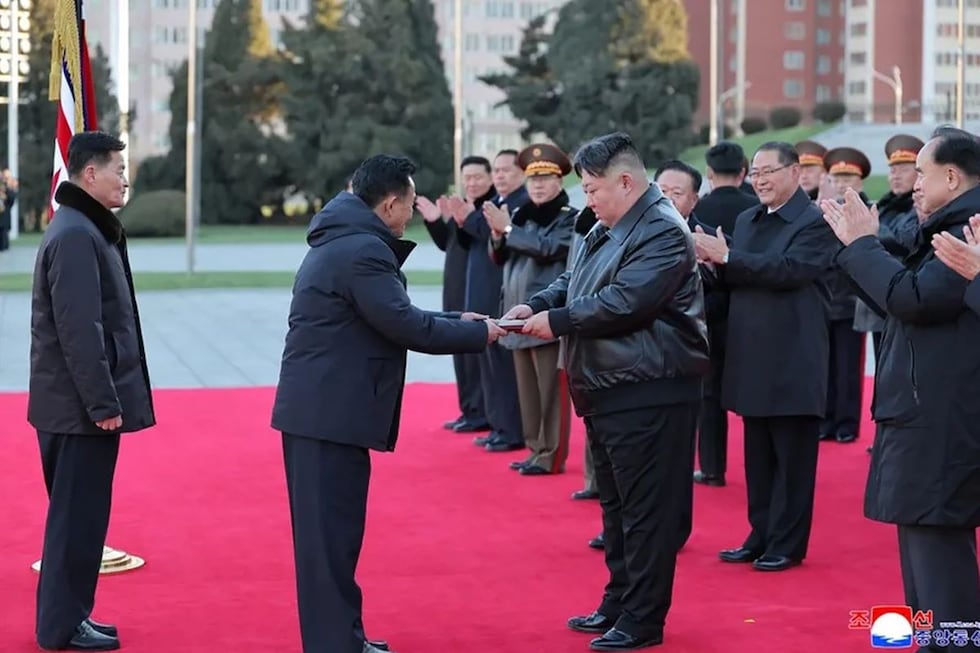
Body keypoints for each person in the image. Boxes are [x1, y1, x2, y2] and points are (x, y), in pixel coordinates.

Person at [271, 155, 504, 653]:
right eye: (408, 207)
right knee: (329, 544)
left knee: (335, 540)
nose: (411, 218)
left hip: (327, 413)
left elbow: (391, 313)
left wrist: (460, 318)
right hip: (327, 416)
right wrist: (479, 333)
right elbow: (407, 326)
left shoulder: (348, 240)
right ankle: (335, 644)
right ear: (391, 203)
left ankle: (343, 638)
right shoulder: (362, 251)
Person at [504, 132, 709, 650]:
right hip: (609, 385)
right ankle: (619, 602)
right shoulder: (610, 224)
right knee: (617, 509)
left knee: (645, 513)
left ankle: (643, 619)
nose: (588, 198)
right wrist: (537, 304)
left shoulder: (663, 230)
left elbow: (625, 302)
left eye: (593, 189)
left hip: (650, 387)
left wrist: (559, 320)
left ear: (626, 180)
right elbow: (577, 279)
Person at [822, 128, 980, 649]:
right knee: (921, 549)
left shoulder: (969, 230)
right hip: (925, 410)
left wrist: (863, 244)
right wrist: (865, 242)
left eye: (923, 174)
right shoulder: (942, 226)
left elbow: (912, 298)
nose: (912, 184)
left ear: (953, 178)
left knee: (939, 558)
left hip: (943, 415)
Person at [28, 131, 155, 652]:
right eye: (116, 169)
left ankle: (71, 617)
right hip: (79, 411)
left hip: (73, 408)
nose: (125, 177)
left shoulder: (85, 228)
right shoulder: (78, 234)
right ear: (88, 174)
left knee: (81, 522)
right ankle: (61, 627)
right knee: (75, 525)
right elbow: (81, 331)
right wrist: (103, 403)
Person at [694, 141, 838, 572]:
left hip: (793, 355)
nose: (760, 181)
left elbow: (789, 271)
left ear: (795, 173)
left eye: (769, 172)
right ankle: (760, 532)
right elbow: (738, 277)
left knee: (792, 459)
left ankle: (788, 543)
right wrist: (712, 266)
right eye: (755, 174)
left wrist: (730, 257)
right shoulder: (748, 218)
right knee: (757, 456)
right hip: (750, 353)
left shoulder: (815, 221)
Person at [488, 143, 576, 475]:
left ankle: (551, 454)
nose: (538, 185)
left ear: (559, 182)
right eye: (533, 179)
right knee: (527, 391)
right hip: (515, 312)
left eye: (546, 178)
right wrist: (499, 234)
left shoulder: (569, 219)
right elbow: (499, 257)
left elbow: (549, 249)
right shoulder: (522, 217)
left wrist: (508, 229)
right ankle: (534, 449)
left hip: (545, 316)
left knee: (551, 393)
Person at [688, 142, 759, 487]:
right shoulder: (757, 210)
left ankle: (713, 467)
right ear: (744, 173)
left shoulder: (700, 210)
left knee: (710, 392)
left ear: (709, 175)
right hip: (751, 309)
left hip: (710, 310)